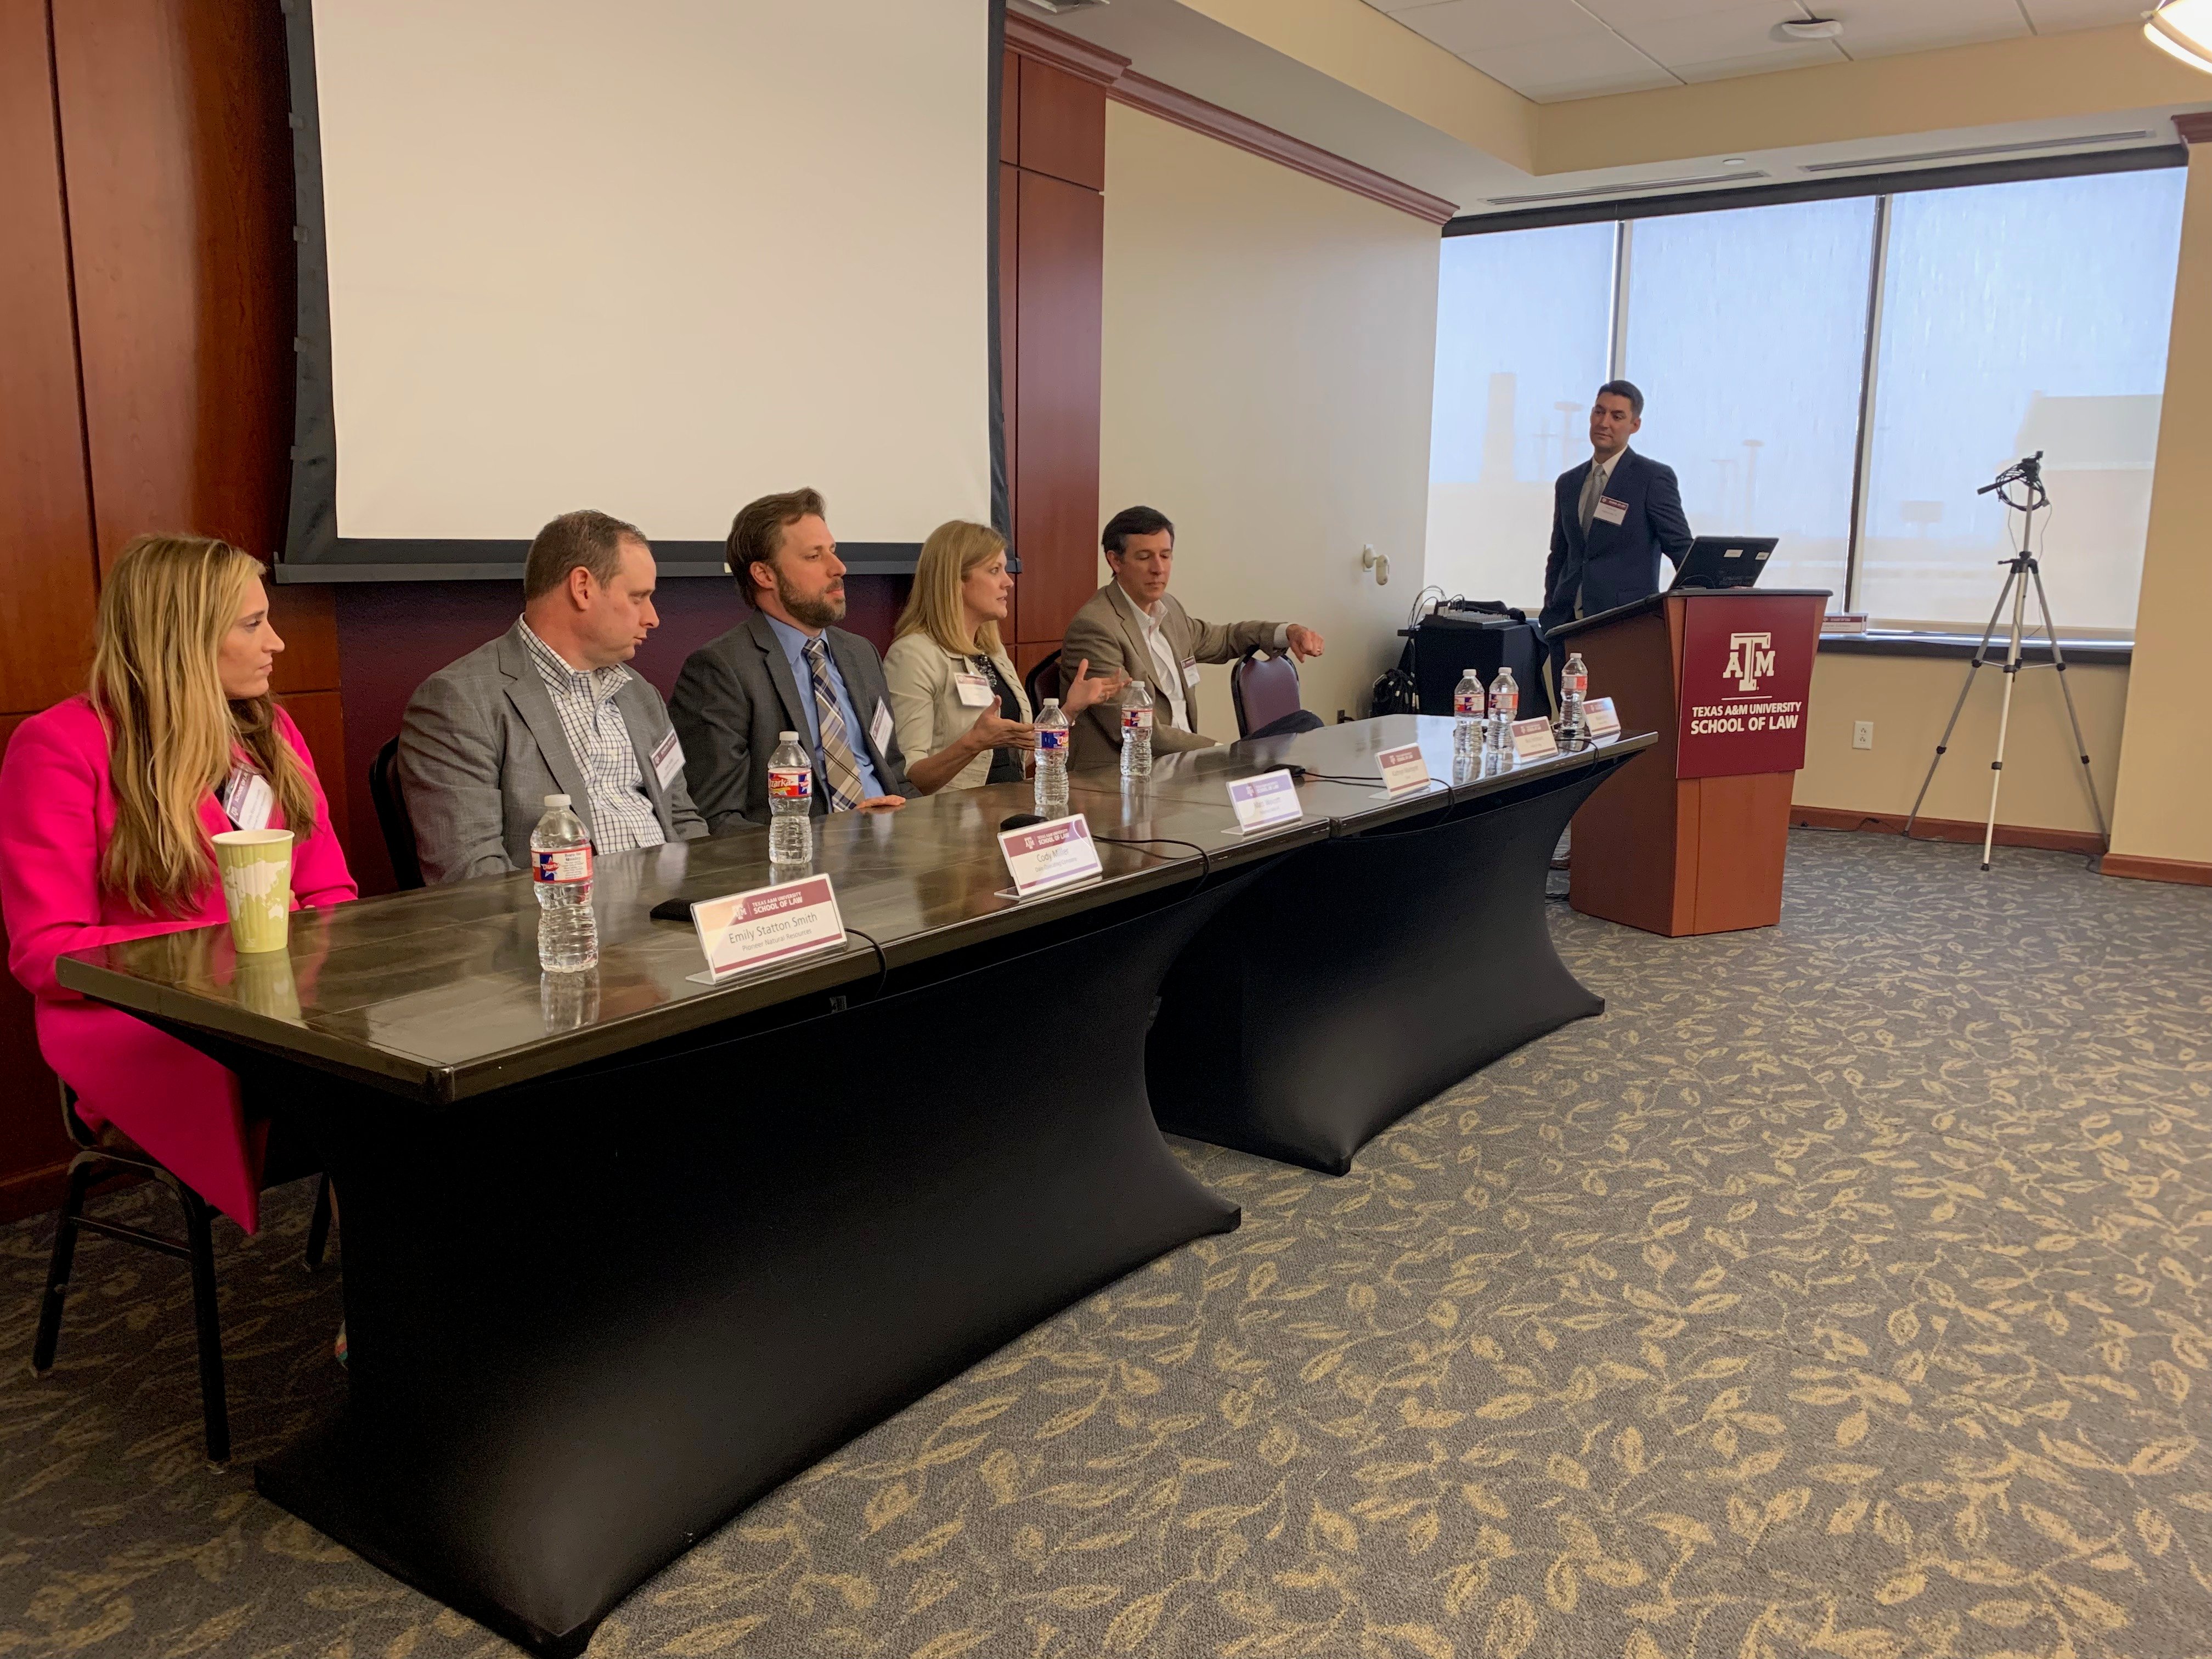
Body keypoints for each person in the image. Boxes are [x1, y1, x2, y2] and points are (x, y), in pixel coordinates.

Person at [0, 534, 357, 1232]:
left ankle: (398, 1321)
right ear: (182, 637)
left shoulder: (270, 732)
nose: (277, 642)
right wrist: (227, 943)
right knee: (365, 1105)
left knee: (419, 1090)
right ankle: (391, 1327)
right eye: (253, 624)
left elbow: (333, 898)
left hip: (291, 1015)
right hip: (144, 1028)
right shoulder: (60, 746)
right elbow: (45, 954)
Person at [399, 509, 707, 883]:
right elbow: (471, 877)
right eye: (638, 597)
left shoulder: (640, 695)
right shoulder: (460, 701)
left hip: (674, 921)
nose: (653, 617)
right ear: (583, 588)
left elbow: (683, 822)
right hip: (566, 929)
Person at [672, 488, 917, 832]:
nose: (839, 568)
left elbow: (895, 778)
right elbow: (717, 819)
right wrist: (834, 833)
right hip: (802, 863)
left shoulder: (861, 654)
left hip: (891, 849)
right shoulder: (721, 669)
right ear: (765, 575)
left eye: (833, 551)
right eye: (814, 557)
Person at [1060, 505, 1326, 768]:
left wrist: (1288, 632)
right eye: (1144, 557)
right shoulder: (1095, 628)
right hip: (1131, 773)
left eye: (1166, 556)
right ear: (1116, 561)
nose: (1158, 569)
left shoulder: (1169, 609)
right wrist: (1219, 753)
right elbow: (1135, 729)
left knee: (1305, 726)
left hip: (1185, 766)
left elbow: (1224, 638)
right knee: (1282, 754)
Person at [884, 521, 1126, 793]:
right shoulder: (913, 656)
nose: (1008, 581)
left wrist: (1070, 710)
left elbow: (1016, 760)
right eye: (994, 570)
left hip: (1007, 806)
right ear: (956, 581)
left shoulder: (991, 650)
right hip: (949, 821)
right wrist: (973, 743)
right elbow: (907, 779)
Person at [1541, 379, 1694, 647]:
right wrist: (1551, 608)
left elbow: (1680, 547)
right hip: (1566, 625)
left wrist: (1719, 591)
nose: (1604, 422)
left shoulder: (1651, 478)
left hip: (1625, 625)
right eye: (1599, 412)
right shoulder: (1569, 482)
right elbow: (1560, 554)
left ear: (1635, 425)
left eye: (1617, 416)